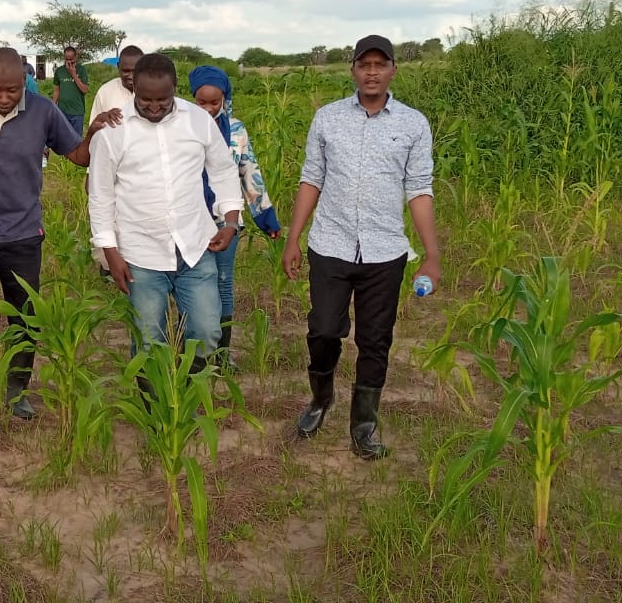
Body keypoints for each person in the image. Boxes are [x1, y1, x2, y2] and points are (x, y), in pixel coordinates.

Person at [0, 46, 113, 443]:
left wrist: (93, 132)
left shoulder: (43, 110)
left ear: (24, 83)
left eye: (13, 90)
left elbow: (77, 156)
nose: (5, 98)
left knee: (25, 316)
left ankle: (17, 394)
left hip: (24, 233)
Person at [280, 35, 440, 460]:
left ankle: (364, 425)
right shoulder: (327, 119)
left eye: (380, 64)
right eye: (364, 64)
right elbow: (311, 178)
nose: (371, 72)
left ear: (392, 71)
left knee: (375, 340)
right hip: (329, 245)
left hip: (385, 251)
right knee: (324, 330)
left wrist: (432, 255)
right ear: (352, 69)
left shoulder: (412, 124)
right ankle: (320, 399)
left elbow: (419, 190)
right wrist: (293, 238)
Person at [90, 53, 240, 357]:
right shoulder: (113, 132)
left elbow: (223, 169)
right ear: (134, 89)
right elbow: (101, 194)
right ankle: (154, 403)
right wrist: (109, 251)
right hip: (141, 254)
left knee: (207, 332)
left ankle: (184, 396)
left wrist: (231, 220)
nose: (155, 107)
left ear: (175, 89)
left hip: (195, 247)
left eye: (164, 99)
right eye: (146, 100)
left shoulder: (198, 121)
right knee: (149, 340)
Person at [187, 64, 281, 368]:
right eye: (201, 102)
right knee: (193, 284)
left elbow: (249, 173)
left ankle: (222, 355)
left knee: (224, 283)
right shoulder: (182, 127)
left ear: (225, 98)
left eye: (215, 102)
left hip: (227, 224)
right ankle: (192, 353)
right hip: (191, 222)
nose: (208, 108)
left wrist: (265, 217)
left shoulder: (236, 130)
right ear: (192, 98)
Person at [86, 45, 143, 275]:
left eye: (135, 70)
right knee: (109, 213)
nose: (129, 76)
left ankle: (136, 264)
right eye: (124, 70)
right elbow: (95, 133)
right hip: (110, 166)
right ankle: (108, 264)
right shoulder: (106, 92)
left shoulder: (152, 89)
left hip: (141, 169)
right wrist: (90, 173)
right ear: (118, 68)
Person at [51, 44, 90, 135]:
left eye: (71, 59)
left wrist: (73, 74)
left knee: (76, 140)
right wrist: (53, 105)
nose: (69, 62)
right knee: (64, 139)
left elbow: (85, 90)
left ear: (75, 57)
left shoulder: (81, 70)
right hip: (63, 111)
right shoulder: (59, 71)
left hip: (77, 112)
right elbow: (57, 90)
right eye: (67, 59)